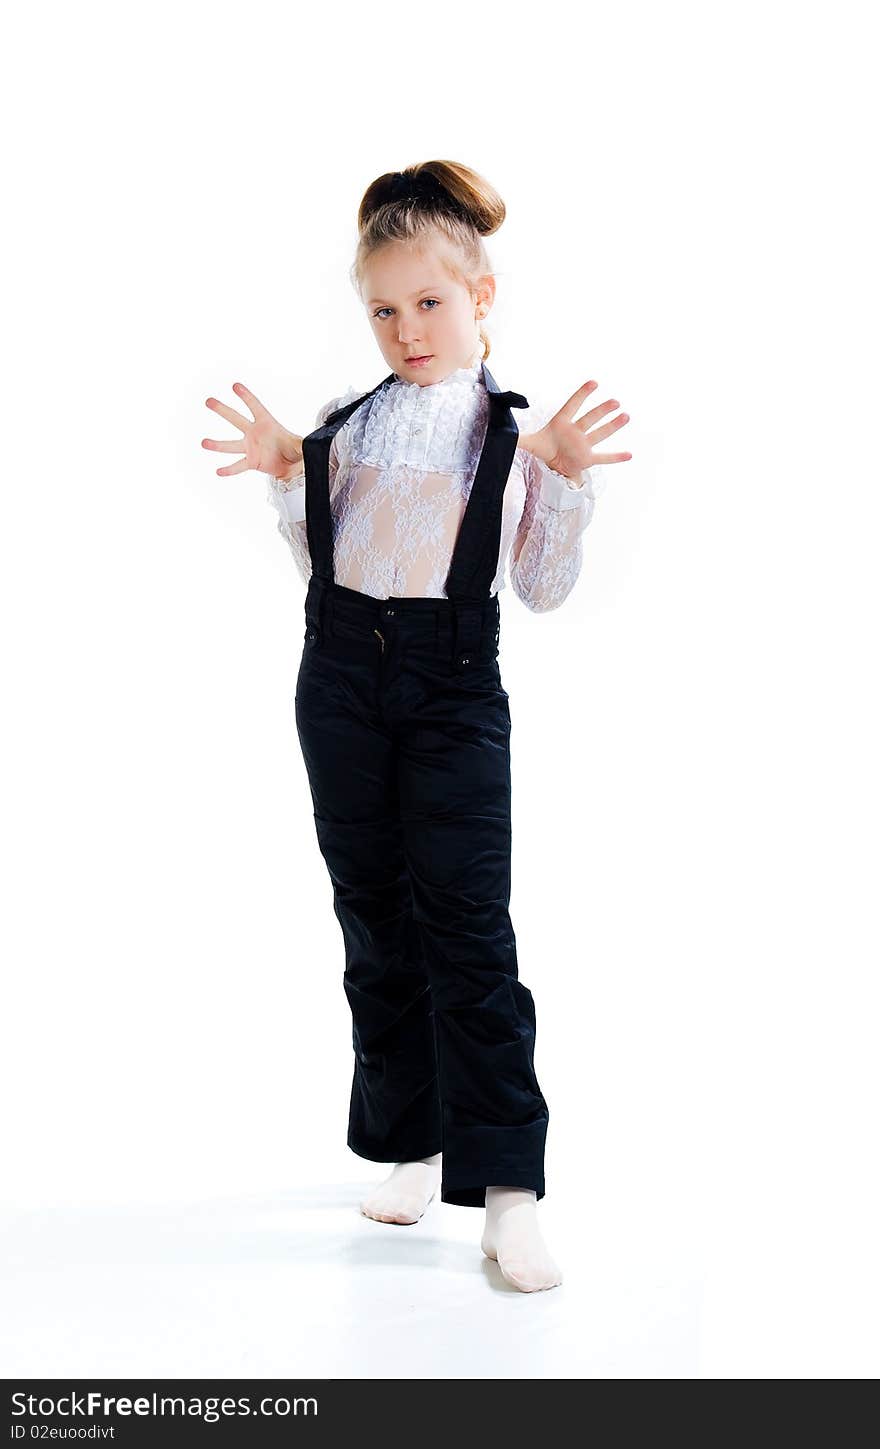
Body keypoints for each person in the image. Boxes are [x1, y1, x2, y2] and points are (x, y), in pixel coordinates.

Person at [202, 160, 631, 1293]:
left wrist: (572, 486)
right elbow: (321, 561)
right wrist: (285, 472)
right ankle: (407, 1139)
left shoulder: (509, 438)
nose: (407, 330)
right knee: (373, 916)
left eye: (428, 303)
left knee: (469, 930)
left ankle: (507, 1192)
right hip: (338, 676)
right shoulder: (348, 423)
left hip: (451, 687)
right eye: (384, 310)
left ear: (481, 295)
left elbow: (537, 590)